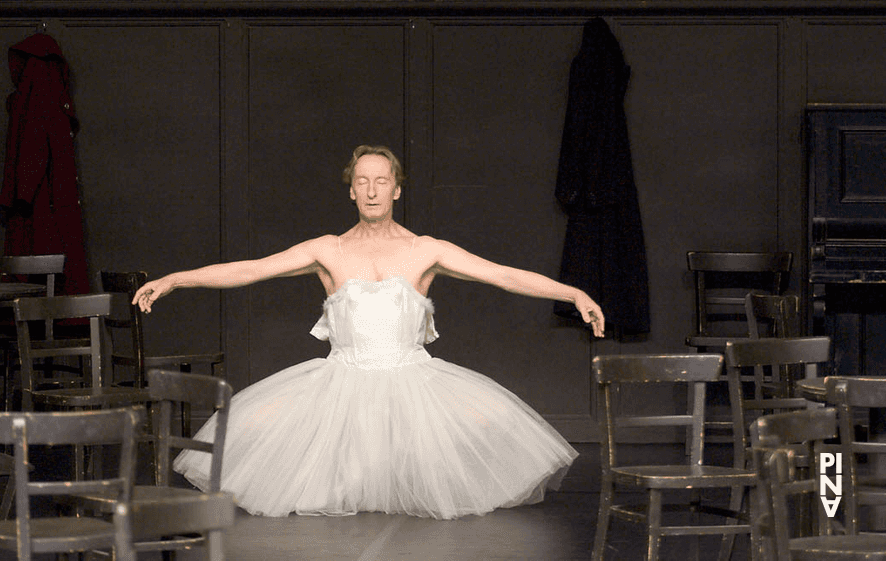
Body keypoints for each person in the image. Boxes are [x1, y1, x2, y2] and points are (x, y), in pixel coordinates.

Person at [133, 145, 605, 519]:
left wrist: (572, 293)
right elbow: (251, 269)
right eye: (363, 182)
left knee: (478, 435)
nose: (372, 190)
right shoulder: (328, 250)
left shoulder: (424, 250)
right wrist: (177, 279)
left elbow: (502, 275)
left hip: (413, 385)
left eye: (381, 181)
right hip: (342, 384)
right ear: (352, 192)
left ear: (396, 190)